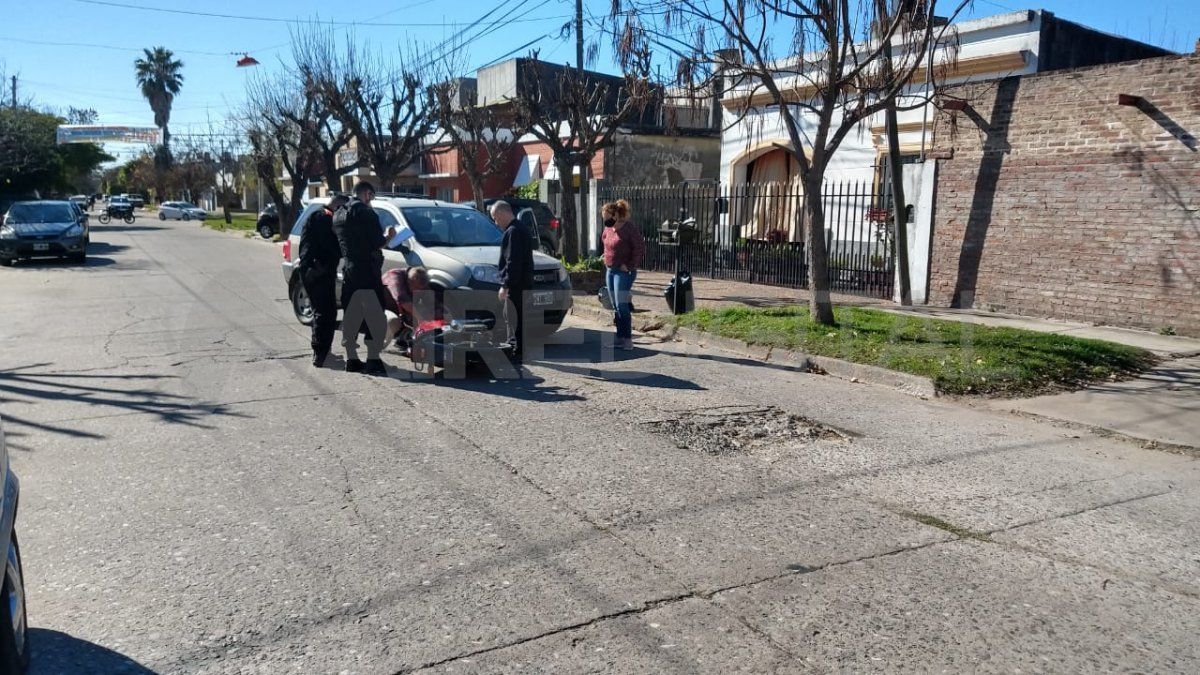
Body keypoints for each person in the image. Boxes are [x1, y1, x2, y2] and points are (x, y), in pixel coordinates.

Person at [333, 181, 394, 376]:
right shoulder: (366, 213)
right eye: (372, 197)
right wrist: (390, 236)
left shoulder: (339, 214)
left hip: (350, 270)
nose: (372, 201)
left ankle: (351, 359)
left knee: (351, 314)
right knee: (375, 316)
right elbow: (377, 242)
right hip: (368, 271)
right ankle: (373, 359)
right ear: (367, 194)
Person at [298, 193, 349, 367]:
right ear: (337, 208)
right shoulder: (324, 219)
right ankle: (320, 354)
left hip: (312, 270)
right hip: (318, 271)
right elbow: (333, 247)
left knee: (322, 311)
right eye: (344, 210)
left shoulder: (318, 216)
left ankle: (322, 350)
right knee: (325, 313)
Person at [601, 199, 645, 351]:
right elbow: (606, 243)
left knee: (622, 305)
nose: (605, 221)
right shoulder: (608, 229)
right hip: (610, 270)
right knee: (614, 305)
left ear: (615, 215)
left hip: (624, 272)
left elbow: (639, 247)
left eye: (607, 218)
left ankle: (628, 339)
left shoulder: (628, 228)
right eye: (604, 218)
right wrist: (605, 256)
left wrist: (630, 265)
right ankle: (620, 338)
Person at [492, 200, 533, 361]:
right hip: (523, 282)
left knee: (513, 317)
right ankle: (517, 348)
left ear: (502, 214)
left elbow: (512, 261)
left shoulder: (513, 232)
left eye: (495, 218)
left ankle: (515, 350)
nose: (496, 222)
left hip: (516, 284)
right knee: (516, 317)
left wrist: (506, 285)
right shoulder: (520, 228)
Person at [382, 266, 432, 350]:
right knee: (394, 321)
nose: (418, 291)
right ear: (409, 282)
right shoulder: (394, 277)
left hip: (398, 310)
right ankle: (379, 344)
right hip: (379, 308)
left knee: (424, 312)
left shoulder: (417, 280)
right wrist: (423, 320)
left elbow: (430, 301)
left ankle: (404, 339)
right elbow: (403, 300)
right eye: (416, 288)